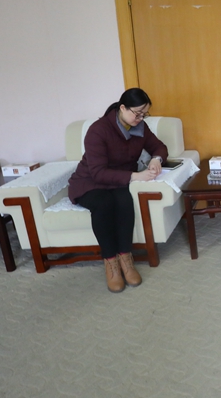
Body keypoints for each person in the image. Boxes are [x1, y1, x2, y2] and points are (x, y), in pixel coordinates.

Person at [68, 88, 168, 293]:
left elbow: (159, 147)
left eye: (144, 114)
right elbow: (98, 173)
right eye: (137, 113)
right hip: (90, 182)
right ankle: (111, 262)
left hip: (120, 181)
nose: (140, 118)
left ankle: (126, 257)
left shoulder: (140, 127)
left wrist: (157, 160)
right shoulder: (98, 130)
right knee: (104, 203)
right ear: (122, 107)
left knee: (124, 200)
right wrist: (136, 176)